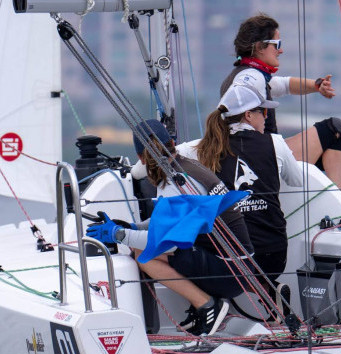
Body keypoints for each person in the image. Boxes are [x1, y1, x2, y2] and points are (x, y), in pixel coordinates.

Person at [87, 119, 254, 336]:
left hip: (231, 273)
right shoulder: (184, 167)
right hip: (239, 266)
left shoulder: (175, 182)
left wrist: (118, 234)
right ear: (172, 143)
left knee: (142, 255)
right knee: (148, 246)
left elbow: (162, 243)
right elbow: (165, 219)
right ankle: (203, 306)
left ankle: (207, 306)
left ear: (140, 158)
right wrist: (133, 226)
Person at [222, 13, 341, 220]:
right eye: (277, 44)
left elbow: (284, 84)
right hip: (265, 161)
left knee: (329, 137)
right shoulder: (251, 78)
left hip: (259, 157)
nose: (281, 50)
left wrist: (316, 85)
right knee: (335, 130)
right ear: (259, 47)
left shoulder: (248, 74)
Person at [180, 83, 303, 298]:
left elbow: (162, 155)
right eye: (264, 112)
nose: (266, 118)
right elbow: (297, 179)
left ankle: (205, 305)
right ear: (248, 115)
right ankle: (266, 291)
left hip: (232, 262)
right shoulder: (275, 143)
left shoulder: (201, 148)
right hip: (273, 259)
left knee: (179, 247)